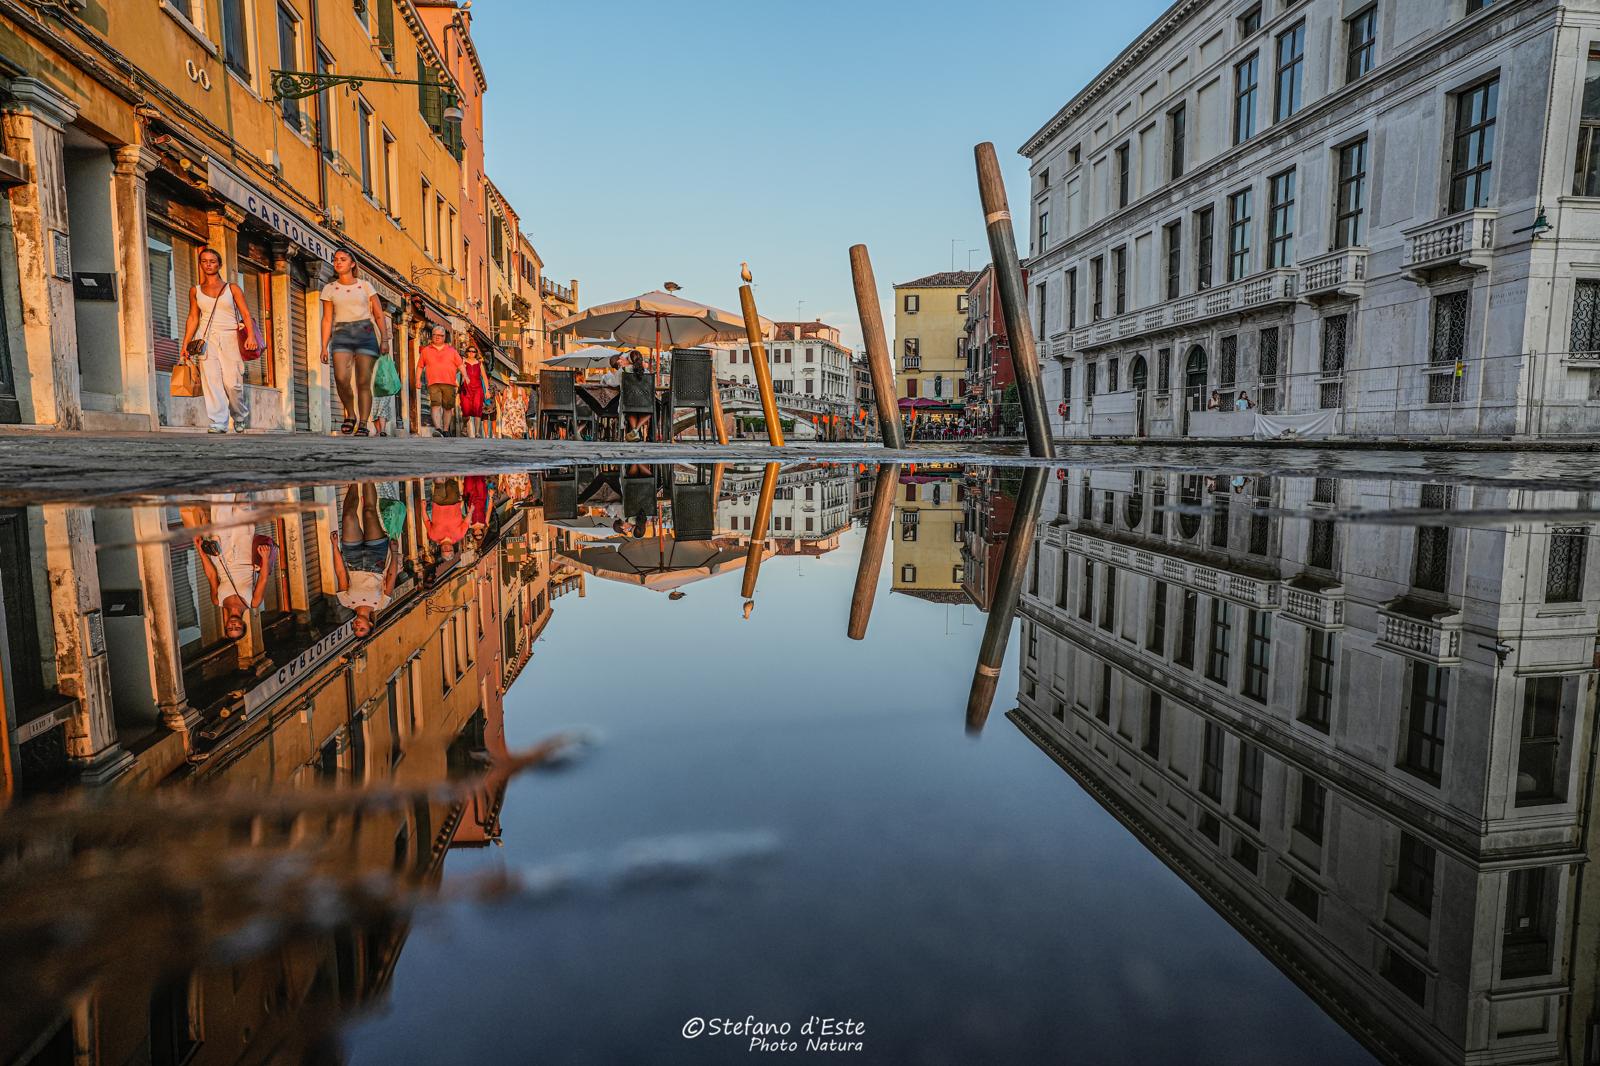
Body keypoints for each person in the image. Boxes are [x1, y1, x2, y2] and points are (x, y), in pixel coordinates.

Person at [179, 247, 260, 433]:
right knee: (212, 381)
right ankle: (218, 422)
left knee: (233, 383)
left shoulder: (232, 288)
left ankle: (239, 415)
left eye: (212, 261)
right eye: (204, 261)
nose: (208, 264)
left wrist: (251, 336)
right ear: (200, 264)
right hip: (206, 340)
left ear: (219, 264)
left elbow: (246, 314)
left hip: (231, 337)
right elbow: (193, 318)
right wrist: (185, 345)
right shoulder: (195, 291)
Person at [184, 495, 273, 642]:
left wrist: (200, 550)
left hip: (220, 555)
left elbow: (212, 575)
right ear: (243, 624)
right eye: (237, 628)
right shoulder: (253, 602)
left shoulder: (217, 601)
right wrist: (264, 558)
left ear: (225, 625)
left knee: (220, 512)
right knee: (242, 510)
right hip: (245, 556)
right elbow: (263, 579)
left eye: (230, 628)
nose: (233, 625)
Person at [319, 248, 388, 436]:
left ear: (352, 264)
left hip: (365, 332)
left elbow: (379, 314)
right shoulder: (329, 289)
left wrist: (384, 339)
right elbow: (326, 319)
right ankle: (350, 413)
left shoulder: (365, 286)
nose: (338, 262)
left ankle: (364, 423)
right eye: (335, 260)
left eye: (343, 259)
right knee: (341, 378)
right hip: (341, 333)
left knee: (363, 381)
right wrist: (324, 345)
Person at [330, 482, 400, 637]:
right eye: (362, 629)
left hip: (353, 559)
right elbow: (391, 575)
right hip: (376, 559)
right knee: (368, 512)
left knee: (348, 516)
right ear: (370, 624)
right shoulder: (381, 603)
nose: (357, 626)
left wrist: (335, 547)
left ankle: (354, 481)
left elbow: (341, 573)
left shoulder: (345, 601)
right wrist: (394, 552)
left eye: (355, 629)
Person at [416, 326, 464, 436]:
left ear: (444, 337)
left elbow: (460, 365)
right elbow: (419, 366)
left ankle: (446, 430)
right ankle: (438, 428)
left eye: (440, 335)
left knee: (447, 407)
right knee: (435, 405)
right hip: (433, 382)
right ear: (432, 336)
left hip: (449, 383)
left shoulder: (452, 351)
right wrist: (418, 380)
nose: (437, 337)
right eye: (434, 335)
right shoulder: (426, 350)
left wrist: (464, 376)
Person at [622, 351, 653, 441]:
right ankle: (636, 430)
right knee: (650, 411)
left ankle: (635, 432)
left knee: (631, 411)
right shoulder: (646, 372)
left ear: (630, 360)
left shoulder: (625, 370)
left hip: (629, 401)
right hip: (645, 402)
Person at [460, 345, 488, 438]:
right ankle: (464, 426)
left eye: (473, 351)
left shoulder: (479, 364)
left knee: (477, 409)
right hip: (466, 389)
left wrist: (487, 391)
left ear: (476, 353)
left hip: (477, 389)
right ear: (467, 352)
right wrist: (462, 363)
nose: (471, 353)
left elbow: (484, 378)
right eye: (470, 351)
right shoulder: (463, 362)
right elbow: (457, 372)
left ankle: (477, 432)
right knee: (466, 410)